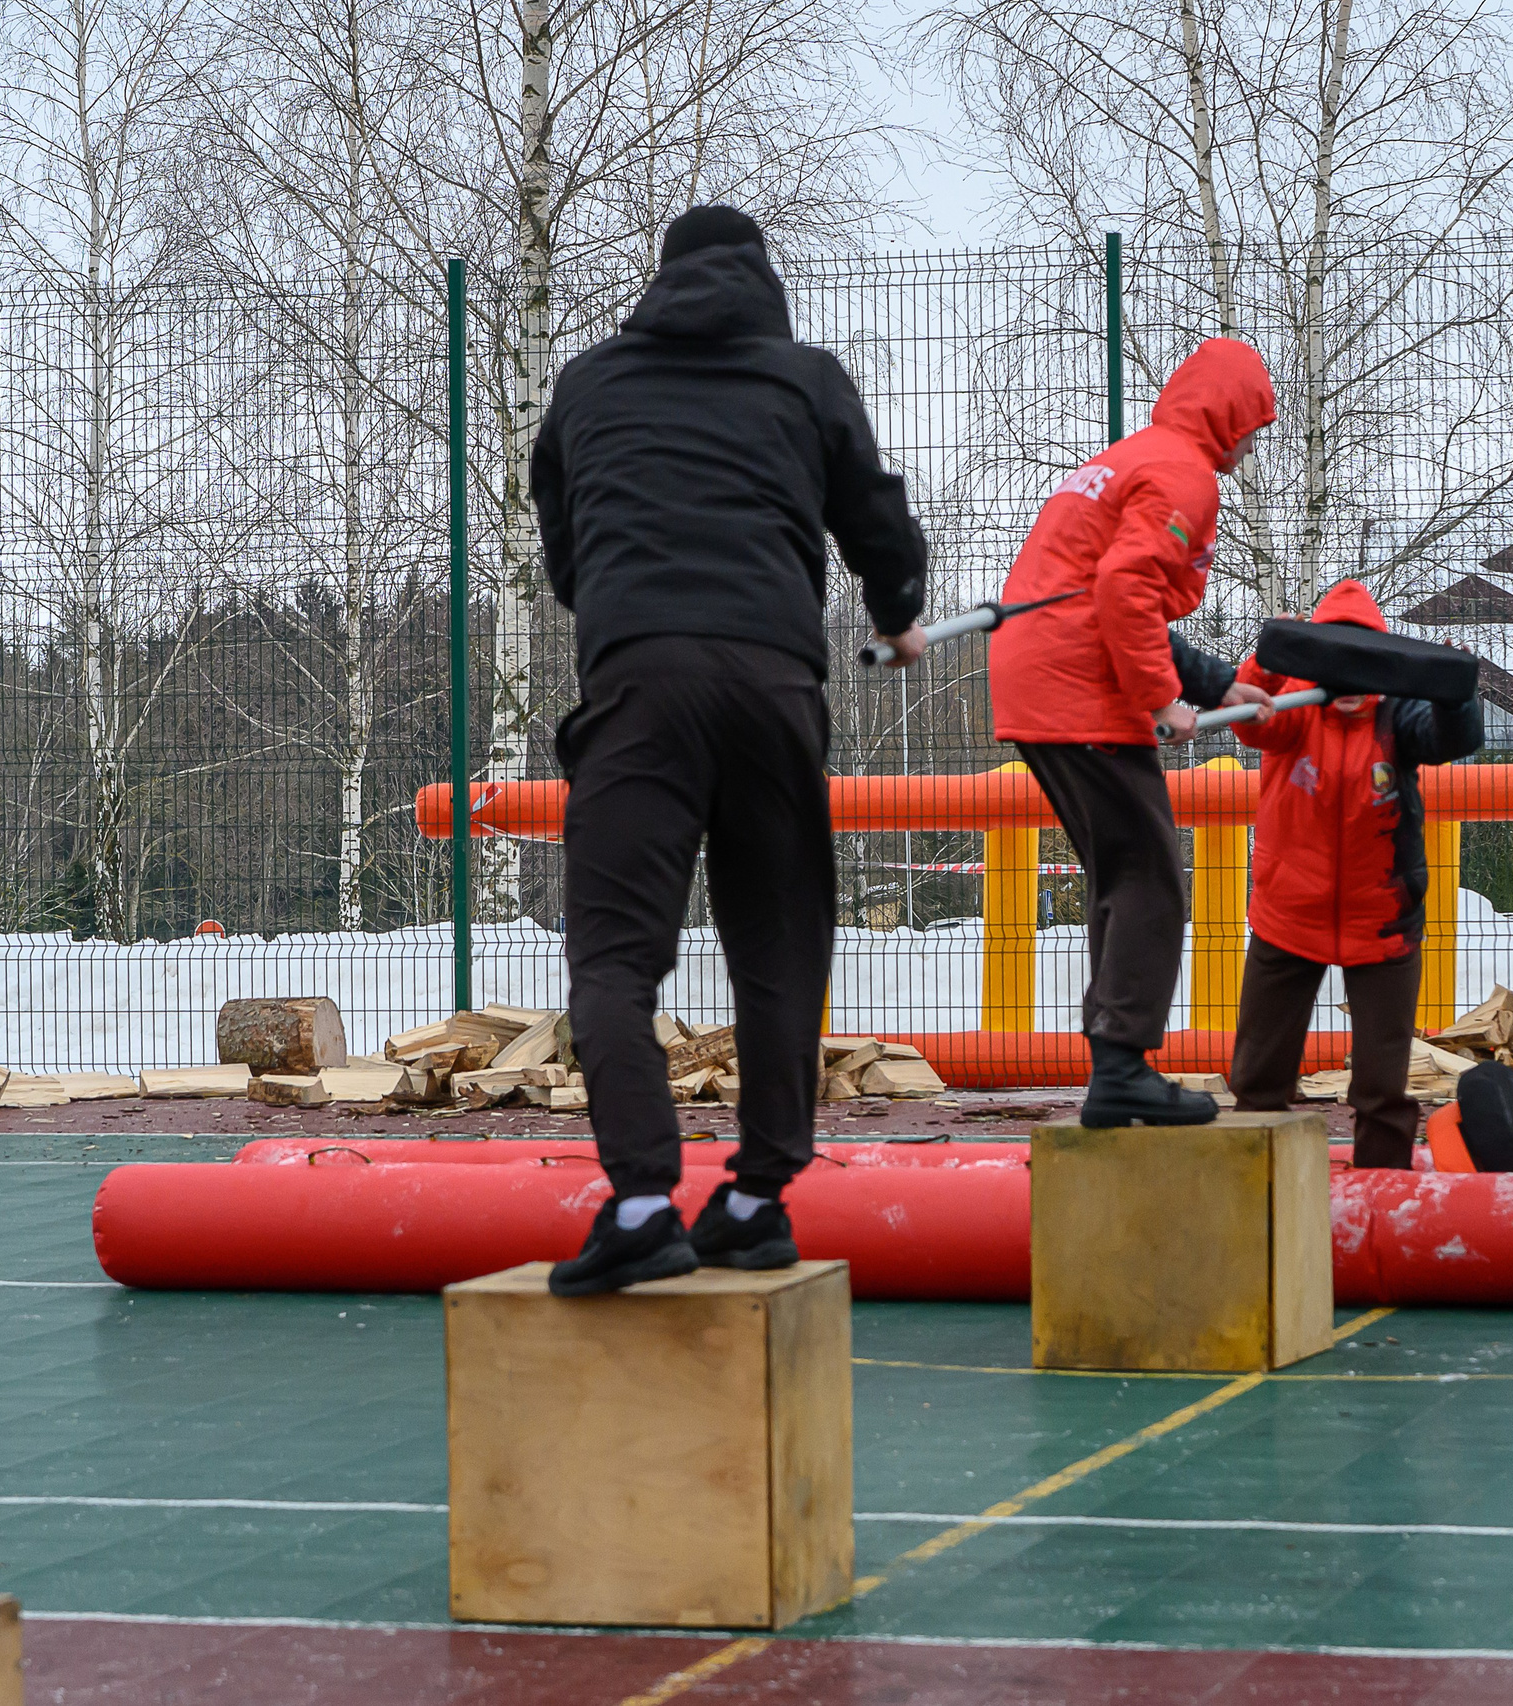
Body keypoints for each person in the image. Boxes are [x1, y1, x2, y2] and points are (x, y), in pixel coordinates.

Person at [531, 206, 930, 1296]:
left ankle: (644, 1199)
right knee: (779, 945)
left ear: (660, 280)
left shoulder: (587, 383)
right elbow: (877, 520)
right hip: (773, 682)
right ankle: (756, 1199)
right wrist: (898, 611)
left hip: (638, 681)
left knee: (615, 957)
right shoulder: (806, 378)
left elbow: (565, 549)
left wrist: (629, 599)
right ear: (764, 282)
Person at [988, 338, 1279, 1126]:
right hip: (1079, 688)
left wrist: (1216, 684)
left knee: (1124, 877)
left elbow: (1109, 590)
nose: (1251, 447)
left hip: (1037, 674)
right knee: (1152, 881)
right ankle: (1120, 1066)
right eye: (1252, 429)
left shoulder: (1128, 458)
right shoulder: (1182, 473)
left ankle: (1116, 1062)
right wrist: (1160, 700)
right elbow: (1123, 590)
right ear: (1227, 417)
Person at [1226, 580, 1482, 1167]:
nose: (1346, 680)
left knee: (1381, 1086)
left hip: (1382, 919)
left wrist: (1451, 690)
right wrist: (1270, 662)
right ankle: (1251, 1182)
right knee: (1260, 1077)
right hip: (1289, 915)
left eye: (1361, 659)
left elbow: (1452, 736)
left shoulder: (1399, 713)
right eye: (1333, 658)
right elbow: (1248, 722)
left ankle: (1384, 1194)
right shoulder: (1292, 712)